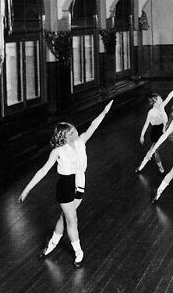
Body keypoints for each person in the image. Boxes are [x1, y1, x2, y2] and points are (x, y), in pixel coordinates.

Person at [18, 100, 114, 269]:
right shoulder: (58, 151)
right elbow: (43, 171)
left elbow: (93, 125)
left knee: (64, 217)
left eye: (74, 129)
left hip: (80, 183)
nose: (76, 132)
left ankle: (52, 244)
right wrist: (27, 190)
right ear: (64, 136)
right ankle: (79, 253)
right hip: (65, 186)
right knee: (72, 220)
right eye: (71, 132)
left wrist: (104, 112)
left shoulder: (81, 141)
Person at [136, 82, 173, 173]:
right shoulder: (151, 112)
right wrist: (142, 135)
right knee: (154, 150)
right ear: (155, 101)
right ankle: (148, 166)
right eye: (160, 98)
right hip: (156, 131)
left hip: (165, 129)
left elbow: (169, 96)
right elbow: (146, 124)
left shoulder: (162, 106)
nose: (162, 99)